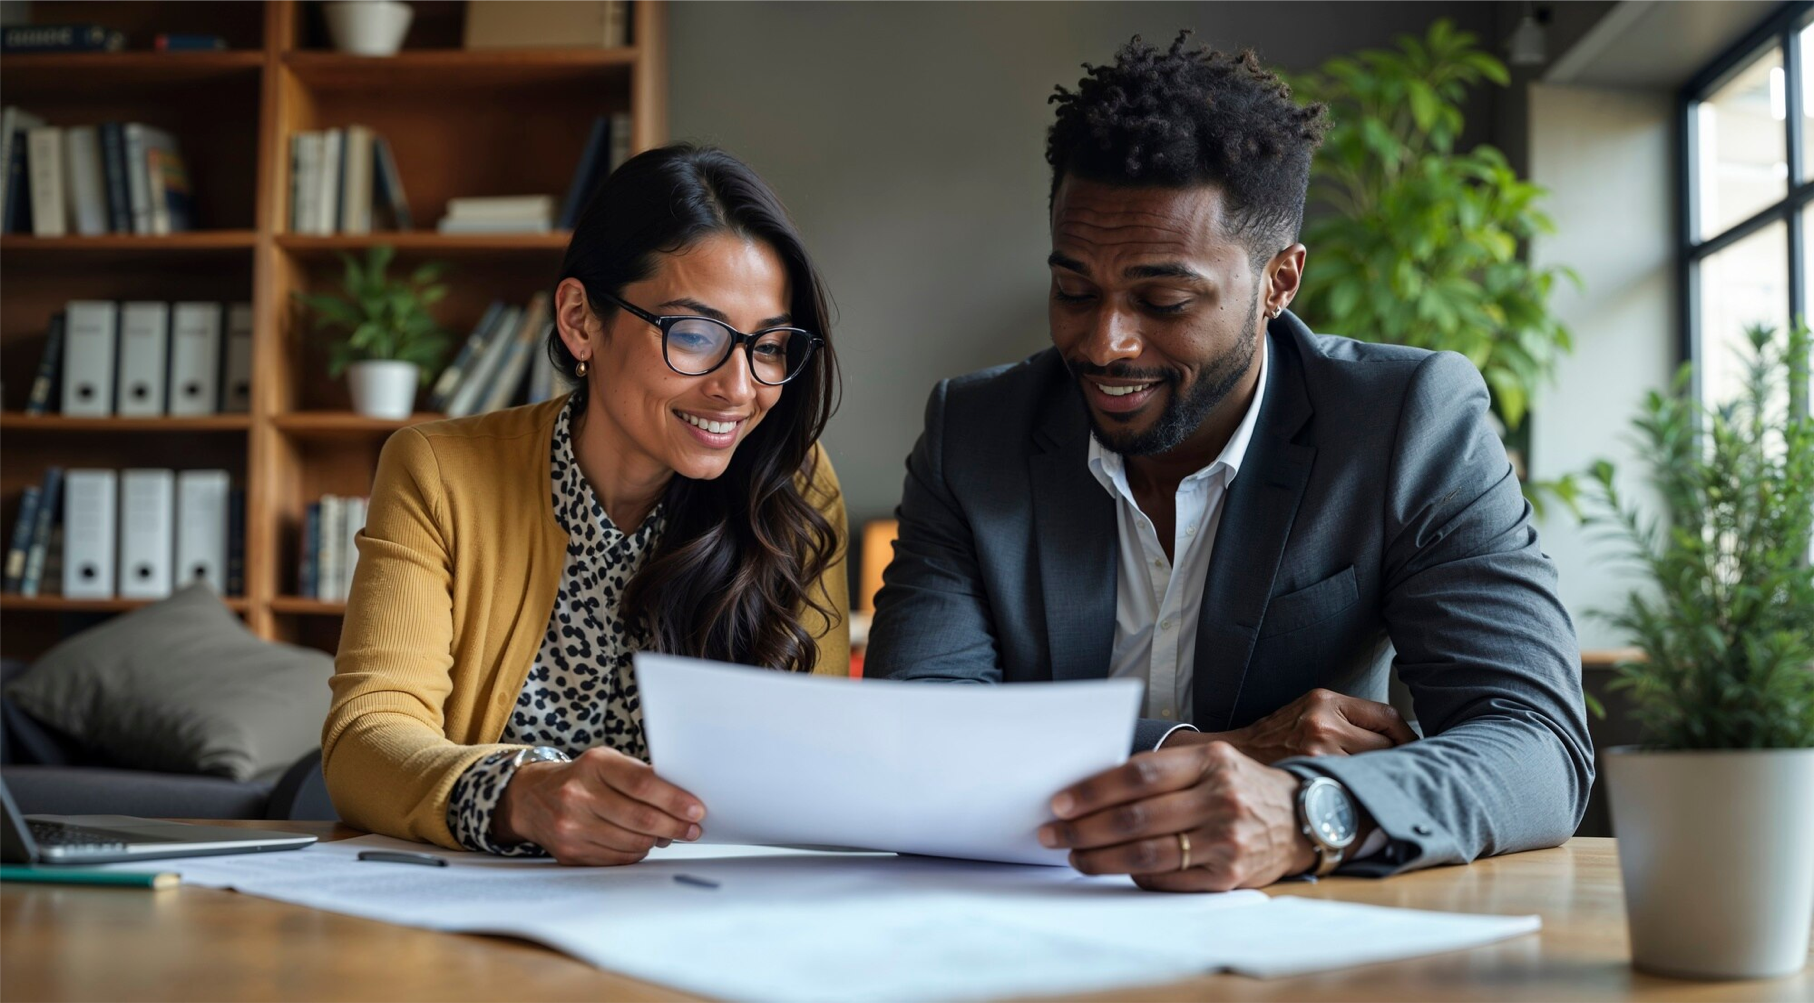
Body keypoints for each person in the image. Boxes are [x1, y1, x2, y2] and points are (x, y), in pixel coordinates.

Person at [865, 33, 1592, 891]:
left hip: (1298, 928)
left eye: (1165, 300)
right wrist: (1209, 753)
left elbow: (1537, 743)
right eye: (1074, 290)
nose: (1105, 342)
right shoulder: (975, 430)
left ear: (1279, 282)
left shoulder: (1405, 423)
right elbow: (918, 730)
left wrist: (1306, 813)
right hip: (1018, 913)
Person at [323, 145, 848, 864]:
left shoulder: (791, 487)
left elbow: (819, 763)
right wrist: (521, 796)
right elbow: (367, 738)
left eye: (770, 345)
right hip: (480, 906)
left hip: (706, 908)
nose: (739, 387)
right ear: (579, 320)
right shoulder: (440, 472)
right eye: (695, 335)